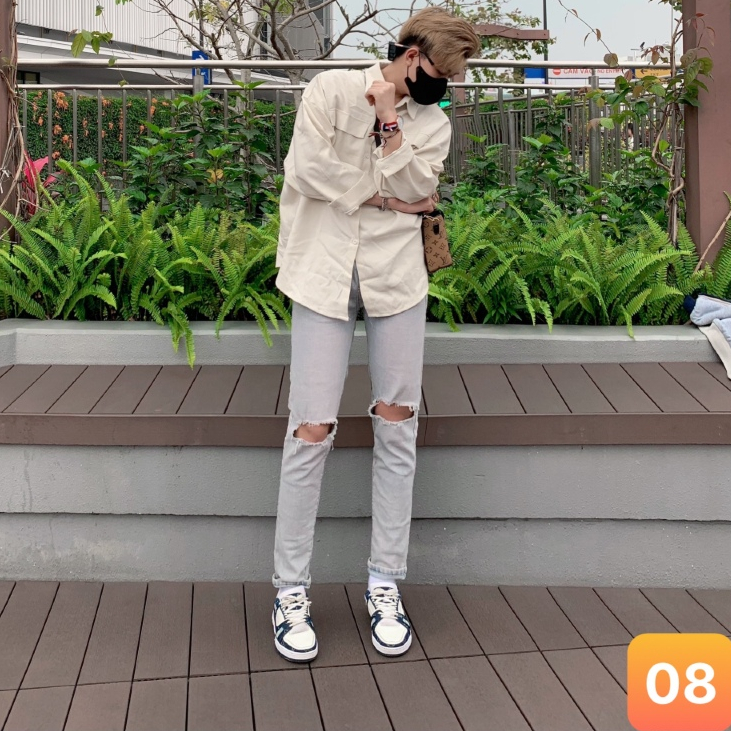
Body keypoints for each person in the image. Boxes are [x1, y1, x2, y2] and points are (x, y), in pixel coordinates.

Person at [270, 6, 481, 663]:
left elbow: (421, 182)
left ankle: (384, 583)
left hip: (397, 278)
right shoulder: (331, 90)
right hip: (321, 272)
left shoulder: (431, 122)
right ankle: (289, 591)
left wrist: (391, 123)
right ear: (411, 55)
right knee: (310, 428)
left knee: (397, 424)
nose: (444, 87)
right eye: (440, 72)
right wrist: (387, 197)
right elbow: (306, 170)